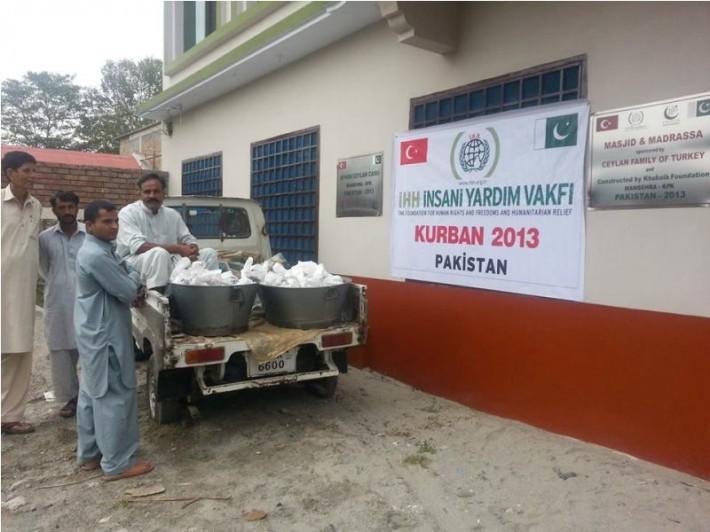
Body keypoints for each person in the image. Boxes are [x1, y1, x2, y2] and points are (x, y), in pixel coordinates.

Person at [74, 199, 153, 480]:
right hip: (105, 335)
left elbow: (124, 273)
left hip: (93, 331)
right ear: (89, 225)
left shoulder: (101, 249)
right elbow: (128, 289)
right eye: (106, 222)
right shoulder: (96, 256)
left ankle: (90, 454)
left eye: (116, 220)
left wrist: (128, 274)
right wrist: (134, 277)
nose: (114, 226)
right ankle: (117, 463)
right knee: (114, 394)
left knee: (91, 393)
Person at [116, 173, 218, 291]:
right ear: (140, 194)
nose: (152, 195)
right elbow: (139, 246)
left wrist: (192, 248)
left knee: (209, 253)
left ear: (163, 193)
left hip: (169, 260)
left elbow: (187, 238)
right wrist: (179, 249)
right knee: (159, 254)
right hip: (134, 262)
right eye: (147, 192)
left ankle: (209, 292)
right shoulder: (128, 213)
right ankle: (157, 295)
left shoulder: (172, 214)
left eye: (156, 191)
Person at [1, 150, 42, 435]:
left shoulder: (35, 205)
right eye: (26, 170)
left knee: (20, 349)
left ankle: (10, 416)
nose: (31, 176)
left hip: (23, 290)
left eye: (33, 170)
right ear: (10, 173)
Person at [39, 191, 86, 418]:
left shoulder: (89, 233)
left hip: (87, 301)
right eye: (62, 208)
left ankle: (90, 396)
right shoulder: (44, 238)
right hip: (57, 301)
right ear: (54, 210)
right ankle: (71, 398)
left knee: (88, 347)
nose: (67, 212)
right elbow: (43, 268)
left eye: (70, 207)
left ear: (77, 208)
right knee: (60, 350)